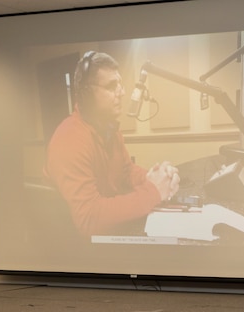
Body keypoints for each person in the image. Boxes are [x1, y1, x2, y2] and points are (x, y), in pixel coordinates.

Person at [45, 51, 180, 237]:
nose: (122, 92)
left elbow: (126, 171)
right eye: (111, 86)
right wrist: (153, 191)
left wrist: (154, 176)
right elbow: (89, 219)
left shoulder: (109, 129)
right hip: (78, 249)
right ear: (86, 94)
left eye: (120, 84)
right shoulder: (69, 138)